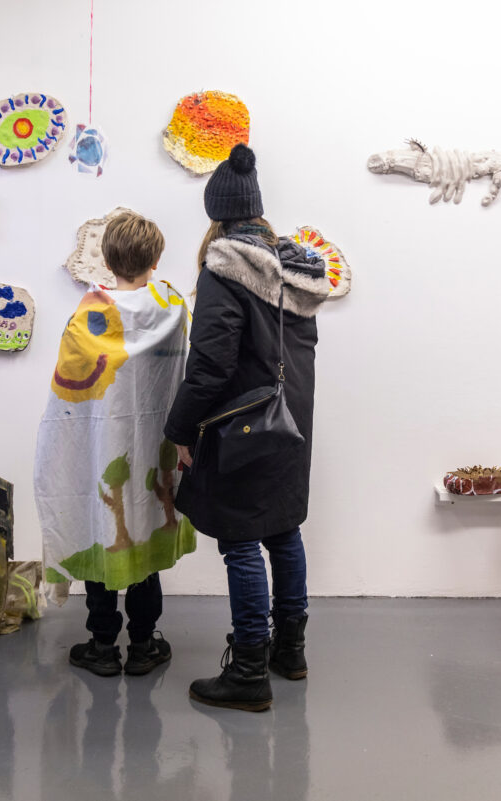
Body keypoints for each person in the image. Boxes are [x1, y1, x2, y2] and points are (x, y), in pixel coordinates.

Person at [164, 144, 333, 711]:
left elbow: (209, 364)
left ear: (217, 214)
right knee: (284, 531)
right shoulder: (298, 270)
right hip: (292, 421)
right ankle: (291, 651)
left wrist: (180, 430)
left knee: (240, 543)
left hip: (241, 425)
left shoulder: (225, 271)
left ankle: (247, 673)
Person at [35, 211, 196, 678]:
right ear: (157, 258)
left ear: (106, 260)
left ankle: (102, 644)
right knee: (144, 527)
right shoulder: (173, 310)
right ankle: (144, 645)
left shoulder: (88, 316)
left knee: (102, 530)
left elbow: (68, 393)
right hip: (155, 449)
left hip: (101, 445)